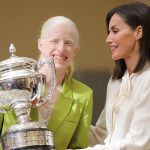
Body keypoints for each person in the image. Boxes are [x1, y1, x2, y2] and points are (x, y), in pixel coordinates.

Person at [0, 16, 93, 149]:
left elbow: (79, 147)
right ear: (40, 45)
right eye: (54, 41)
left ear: (75, 50)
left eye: (68, 43)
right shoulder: (13, 84)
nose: (61, 49)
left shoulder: (84, 95)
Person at [86, 2, 150, 150]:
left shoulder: (148, 80)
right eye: (109, 32)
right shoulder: (116, 81)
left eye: (115, 31)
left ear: (138, 32)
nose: (108, 39)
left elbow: (137, 143)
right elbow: (103, 135)